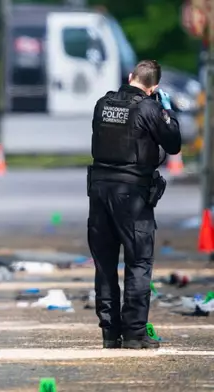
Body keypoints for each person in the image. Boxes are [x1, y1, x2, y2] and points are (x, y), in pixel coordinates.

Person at [88, 60, 181, 350]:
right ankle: (134, 333)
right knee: (138, 261)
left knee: (104, 263)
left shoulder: (103, 104)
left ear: (130, 77)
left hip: (100, 191)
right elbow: (174, 143)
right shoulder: (149, 108)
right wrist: (165, 110)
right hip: (132, 194)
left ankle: (109, 333)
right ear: (154, 88)